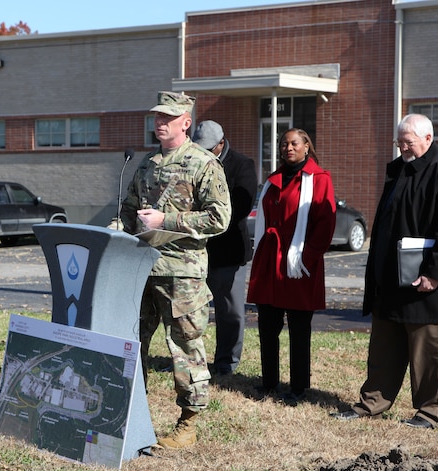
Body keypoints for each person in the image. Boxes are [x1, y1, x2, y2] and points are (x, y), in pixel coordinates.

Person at [333, 113, 438, 428]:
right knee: (384, 347)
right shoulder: (399, 170)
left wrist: (434, 272)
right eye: (399, 141)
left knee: (428, 349)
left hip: (426, 280)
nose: (403, 147)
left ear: (428, 139)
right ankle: (372, 402)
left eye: (408, 142)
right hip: (392, 280)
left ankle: (430, 411)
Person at [117, 91, 231, 448]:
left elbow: (220, 217)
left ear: (186, 122)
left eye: (168, 117)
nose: (160, 123)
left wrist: (167, 219)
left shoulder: (203, 164)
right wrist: (117, 227)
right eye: (156, 117)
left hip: (182, 274)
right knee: (132, 343)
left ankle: (188, 423)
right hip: (143, 269)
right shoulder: (147, 164)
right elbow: (129, 209)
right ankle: (133, 411)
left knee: (185, 346)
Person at [246, 128, 336, 403]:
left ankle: (298, 387)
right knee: (268, 326)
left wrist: (306, 257)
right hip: (270, 262)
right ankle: (269, 382)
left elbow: (325, 223)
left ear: (307, 146)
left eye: (294, 143)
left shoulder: (319, 179)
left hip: (300, 265)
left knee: (299, 329)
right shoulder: (273, 179)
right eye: (283, 144)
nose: (288, 148)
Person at [192, 120, 258, 375]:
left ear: (221, 143)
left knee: (229, 311)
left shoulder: (242, 165)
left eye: (209, 149)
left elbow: (241, 206)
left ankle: (226, 363)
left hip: (228, 250)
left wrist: (205, 219)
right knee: (191, 309)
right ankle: (190, 361)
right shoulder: (193, 161)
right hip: (196, 249)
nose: (204, 154)